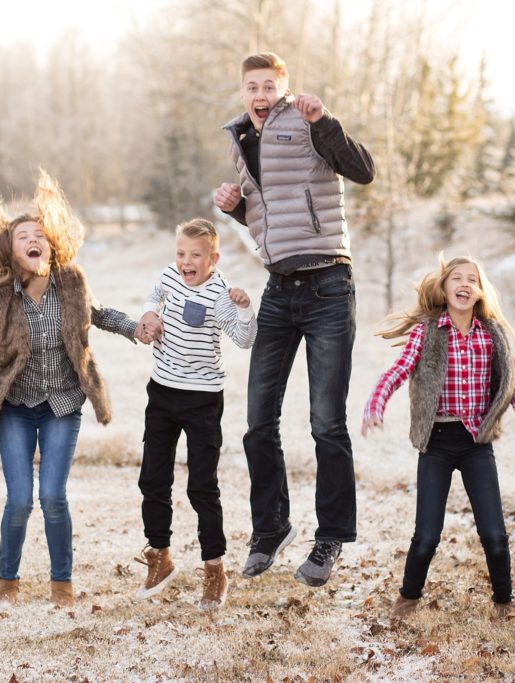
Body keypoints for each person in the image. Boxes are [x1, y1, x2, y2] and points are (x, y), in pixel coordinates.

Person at [0, 170, 141, 607]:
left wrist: (138, 329)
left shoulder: (71, 283)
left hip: (62, 403)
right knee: (19, 500)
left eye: (40, 233)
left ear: (52, 242)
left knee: (53, 496)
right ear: (12, 250)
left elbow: (101, 315)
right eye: (24, 236)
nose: (33, 239)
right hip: (15, 407)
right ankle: (8, 583)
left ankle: (62, 585)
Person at [212, 51, 375, 587]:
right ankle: (271, 529)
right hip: (279, 291)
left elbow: (363, 171)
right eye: (251, 87)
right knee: (258, 422)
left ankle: (330, 537)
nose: (259, 96)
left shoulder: (306, 121)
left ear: (283, 89)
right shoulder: (242, 137)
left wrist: (324, 121)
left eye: (268, 87)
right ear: (242, 93)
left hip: (329, 284)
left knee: (326, 423)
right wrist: (237, 206)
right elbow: (271, 211)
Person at [360, 254, 515, 620]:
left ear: (480, 291)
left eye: (472, 279)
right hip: (436, 443)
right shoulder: (428, 330)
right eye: (457, 277)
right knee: (426, 537)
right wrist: (376, 405)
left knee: (495, 535)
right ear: (444, 287)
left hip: (476, 445)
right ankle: (408, 598)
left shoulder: (492, 335)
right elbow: (400, 369)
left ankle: (504, 603)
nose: (464, 284)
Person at [132, 218, 257, 610]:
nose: (187, 261)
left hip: (203, 399)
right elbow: (153, 296)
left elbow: (244, 339)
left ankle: (214, 568)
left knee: (201, 486)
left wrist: (244, 310)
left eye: (196, 256)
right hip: (163, 392)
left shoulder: (221, 295)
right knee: (153, 478)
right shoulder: (170, 276)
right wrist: (150, 314)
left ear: (213, 259)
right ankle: (160, 555)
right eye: (181, 253)